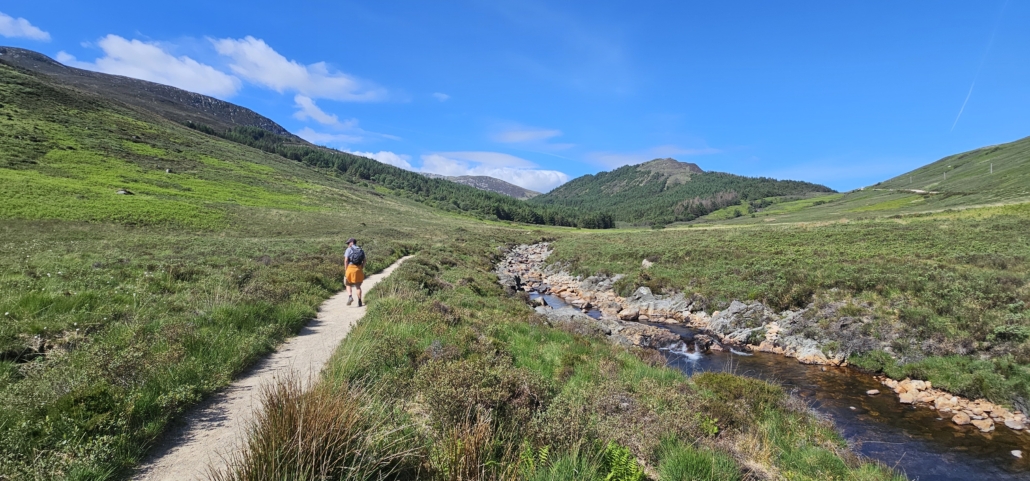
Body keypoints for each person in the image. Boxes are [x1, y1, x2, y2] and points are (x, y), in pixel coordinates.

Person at [344, 238, 365, 307]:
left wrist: (346, 269)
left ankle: (350, 297)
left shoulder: (349, 249)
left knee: (348, 284)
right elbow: (364, 260)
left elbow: (346, 260)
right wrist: (362, 267)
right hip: (358, 268)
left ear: (352, 242)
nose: (347, 245)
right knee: (358, 286)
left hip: (350, 268)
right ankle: (359, 301)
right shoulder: (361, 250)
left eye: (348, 243)